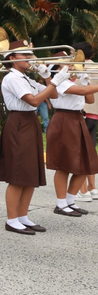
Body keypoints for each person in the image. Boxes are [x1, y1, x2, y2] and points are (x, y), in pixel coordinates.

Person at [0, 40, 55, 235]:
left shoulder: (26, 78)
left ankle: (23, 216)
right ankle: (12, 219)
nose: (29, 58)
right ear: (12, 58)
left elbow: (56, 95)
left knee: (30, 173)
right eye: (24, 55)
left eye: (29, 54)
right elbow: (34, 100)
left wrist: (48, 78)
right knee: (18, 174)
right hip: (19, 122)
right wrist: (51, 84)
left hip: (30, 122)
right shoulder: (13, 78)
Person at [45, 56, 98, 217]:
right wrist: (84, 86)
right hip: (64, 120)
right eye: (68, 63)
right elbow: (81, 92)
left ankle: (70, 201)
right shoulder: (58, 80)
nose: (74, 65)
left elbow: (89, 97)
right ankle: (61, 204)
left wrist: (86, 81)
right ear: (59, 67)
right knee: (64, 164)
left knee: (85, 163)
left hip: (77, 119)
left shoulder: (73, 81)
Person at [73, 43, 98, 203]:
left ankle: (82, 191)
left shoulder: (77, 67)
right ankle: (92, 187)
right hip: (95, 115)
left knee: (79, 153)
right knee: (90, 153)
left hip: (82, 114)